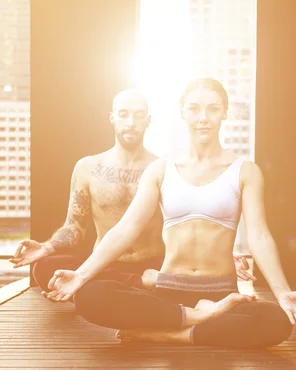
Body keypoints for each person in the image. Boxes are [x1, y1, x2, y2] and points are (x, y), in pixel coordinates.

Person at [43, 78, 296, 349]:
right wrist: (80, 275)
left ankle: (172, 334)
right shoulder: (161, 170)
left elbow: (260, 236)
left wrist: (283, 292)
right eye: (194, 108)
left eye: (213, 109)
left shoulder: (245, 171)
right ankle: (197, 318)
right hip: (169, 290)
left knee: (278, 320)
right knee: (89, 295)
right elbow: (126, 229)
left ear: (225, 113)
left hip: (219, 291)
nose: (203, 118)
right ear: (183, 112)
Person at [9, 89, 253, 292]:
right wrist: (47, 247)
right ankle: (133, 287)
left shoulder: (166, 168)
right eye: (123, 114)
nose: (130, 123)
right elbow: (75, 227)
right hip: (106, 264)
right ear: (112, 118)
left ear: (148, 120)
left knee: (101, 290)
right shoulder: (87, 168)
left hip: (157, 265)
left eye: (138, 116)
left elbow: (191, 222)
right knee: (45, 268)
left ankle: (121, 290)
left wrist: (221, 257)